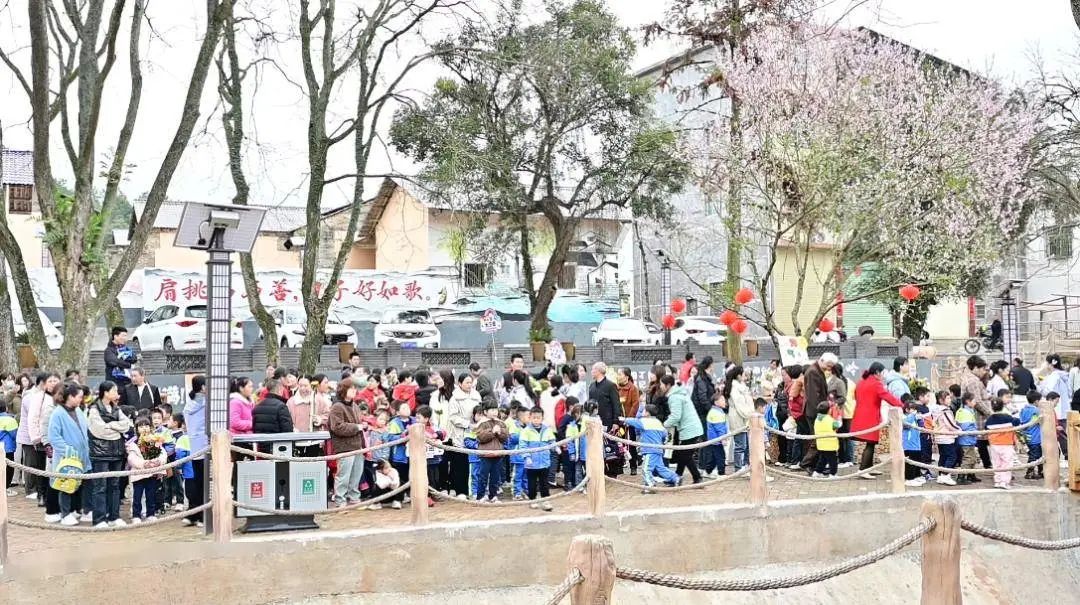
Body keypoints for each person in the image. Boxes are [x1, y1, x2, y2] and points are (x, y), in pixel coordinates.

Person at [87, 381, 132, 528]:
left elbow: (126, 425)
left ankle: (114, 516)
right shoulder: (94, 409)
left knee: (115, 485)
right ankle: (99, 519)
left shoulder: (116, 408)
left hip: (117, 452)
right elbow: (99, 431)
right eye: (114, 391)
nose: (117, 394)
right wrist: (116, 430)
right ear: (105, 392)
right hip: (100, 453)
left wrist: (111, 426)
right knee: (100, 486)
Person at [47, 384, 91, 526]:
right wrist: (68, 450)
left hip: (83, 455)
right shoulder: (57, 413)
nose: (81, 399)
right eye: (79, 396)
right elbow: (53, 437)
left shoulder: (78, 410)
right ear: (70, 397)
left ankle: (79, 509)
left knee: (81, 484)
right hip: (66, 458)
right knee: (66, 485)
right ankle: (65, 513)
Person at [851, 362, 902, 475]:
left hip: (860, 415)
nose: (883, 375)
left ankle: (869, 468)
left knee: (870, 443)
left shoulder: (861, 381)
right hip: (870, 416)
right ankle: (863, 470)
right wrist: (901, 405)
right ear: (877, 372)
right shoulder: (876, 384)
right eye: (882, 373)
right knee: (870, 443)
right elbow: (887, 397)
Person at [621, 404, 680, 491]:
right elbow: (666, 435)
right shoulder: (658, 422)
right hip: (658, 450)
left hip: (650, 450)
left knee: (646, 469)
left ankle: (650, 485)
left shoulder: (645, 421)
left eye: (644, 411)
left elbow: (635, 422)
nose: (642, 412)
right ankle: (675, 478)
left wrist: (624, 419)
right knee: (661, 469)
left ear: (647, 413)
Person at [18, 372, 56, 505]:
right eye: (50, 381)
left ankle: (50, 494)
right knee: (39, 467)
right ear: (43, 383)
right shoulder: (36, 397)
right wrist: (36, 437)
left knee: (51, 468)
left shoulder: (58, 396)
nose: (53, 383)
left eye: (55, 381)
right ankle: (39, 494)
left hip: (53, 438)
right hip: (39, 438)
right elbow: (33, 418)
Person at [328, 379, 367, 505]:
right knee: (343, 476)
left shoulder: (355, 406)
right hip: (344, 447)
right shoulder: (337, 407)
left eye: (355, 388)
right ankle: (340, 499)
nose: (354, 391)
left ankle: (354, 497)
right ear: (343, 390)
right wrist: (357, 427)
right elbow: (337, 427)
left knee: (356, 474)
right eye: (351, 388)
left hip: (357, 445)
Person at [660, 375, 703, 483]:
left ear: (668, 385)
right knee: (683, 454)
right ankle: (677, 477)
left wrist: (663, 425)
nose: (660, 386)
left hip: (689, 429)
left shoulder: (674, 397)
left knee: (685, 455)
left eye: (661, 384)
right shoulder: (680, 393)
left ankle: (697, 477)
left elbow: (676, 416)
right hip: (692, 428)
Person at [445, 372, 480, 499]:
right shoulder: (455, 399)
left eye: (471, 382)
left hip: (475, 431)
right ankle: (461, 490)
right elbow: (453, 417)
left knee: (474, 464)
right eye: (467, 382)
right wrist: (467, 424)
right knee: (460, 463)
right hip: (459, 432)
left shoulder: (476, 396)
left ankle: (474, 490)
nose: (469, 385)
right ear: (460, 384)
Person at [799, 353, 835, 472]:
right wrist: (821, 412)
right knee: (817, 439)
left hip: (817, 410)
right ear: (822, 360)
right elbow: (813, 395)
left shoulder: (817, 370)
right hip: (815, 411)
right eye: (828, 365)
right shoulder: (813, 372)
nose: (829, 369)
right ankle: (806, 463)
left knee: (818, 439)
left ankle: (815, 466)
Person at [180, 376, 207, 526]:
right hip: (205, 446)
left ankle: (193, 513)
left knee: (194, 481)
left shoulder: (189, 403)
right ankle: (202, 516)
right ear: (202, 387)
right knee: (203, 483)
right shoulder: (206, 403)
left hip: (193, 447)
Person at [518, 406, 556, 511]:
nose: (536, 420)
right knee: (532, 483)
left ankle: (545, 500)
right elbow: (523, 446)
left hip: (544, 462)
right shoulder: (526, 431)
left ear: (542, 418)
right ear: (530, 417)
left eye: (538, 417)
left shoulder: (547, 429)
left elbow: (552, 441)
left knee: (544, 483)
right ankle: (532, 500)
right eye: (534, 417)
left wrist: (555, 447)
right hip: (531, 463)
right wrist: (527, 457)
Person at [961, 355, 994, 469]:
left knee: (981, 441)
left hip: (978, 415)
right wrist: (990, 414)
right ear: (975, 368)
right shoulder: (973, 381)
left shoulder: (969, 378)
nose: (984, 372)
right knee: (981, 440)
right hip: (979, 416)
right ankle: (986, 464)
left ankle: (986, 463)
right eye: (983, 369)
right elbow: (977, 401)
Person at [475, 401, 508, 502]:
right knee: (483, 476)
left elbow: (505, 437)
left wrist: (500, 432)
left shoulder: (501, 423)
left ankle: (493, 495)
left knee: (495, 477)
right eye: (492, 410)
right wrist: (492, 432)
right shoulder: (482, 423)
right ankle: (480, 496)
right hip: (485, 455)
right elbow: (480, 437)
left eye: (496, 410)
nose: (495, 412)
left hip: (498, 454)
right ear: (485, 411)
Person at [986, 398, 1021, 490]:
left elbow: (986, 428)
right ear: (1003, 406)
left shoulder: (989, 420)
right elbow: (1018, 421)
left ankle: (997, 481)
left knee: (996, 463)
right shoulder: (1008, 418)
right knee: (1007, 463)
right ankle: (1004, 482)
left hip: (994, 445)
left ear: (992, 407)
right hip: (1006, 444)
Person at [725, 365, 754, 472]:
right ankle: (738, 468)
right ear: (738, 375)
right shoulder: (734, 388)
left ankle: (745, 465)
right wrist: (749, 413)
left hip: (743, 418)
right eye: (743, 374)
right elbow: (739, 405)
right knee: (740, 445)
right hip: (738, 417)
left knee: (745, 445)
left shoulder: (741, 386)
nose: (745, 376)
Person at [692, 357, 717, 474]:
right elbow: (703, 397)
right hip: (703, 413)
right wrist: (711, 410)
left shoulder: (704, 378)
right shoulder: (701, 379)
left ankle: (703, 467)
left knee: (706, 440)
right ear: (710, 365)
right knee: (707, 439)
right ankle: (706, 468)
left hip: (704, 412)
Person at [931, 390, 960, 486]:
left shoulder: (935, 410)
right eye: (947, 398)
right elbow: (950, 424)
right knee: (952, 456)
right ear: (941, 400)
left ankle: (940, 475)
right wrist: (959, 430)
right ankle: (945, 475)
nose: (950, 400)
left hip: (939, 436)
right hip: (946, 437)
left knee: (943, 456)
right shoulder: (946, 411)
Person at [557, 399, 583, 491]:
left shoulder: (575, 420)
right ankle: (568, 482)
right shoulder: (567, 418)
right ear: (571, 407)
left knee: (572, 465)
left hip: (573, 446)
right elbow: (560, 431)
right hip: (567, 446)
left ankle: (573, 481)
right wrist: (564, 442)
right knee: (567, 465)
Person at [955, 393, 980, 484]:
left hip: (969, 439)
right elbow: (965, 427)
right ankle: (961, 477)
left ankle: (970, 475)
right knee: (968, 458)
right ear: (968, 401)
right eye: (974, 400)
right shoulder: (965, 412)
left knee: (973, 458)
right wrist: (976, 432)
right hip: (967, 440)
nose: (975, 402)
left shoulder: (964, 411)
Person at [900, 396, 925, 487]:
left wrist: (920, 419)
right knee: (910, 463)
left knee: (917, 461)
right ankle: (909, 479)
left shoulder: (915, 418)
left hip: (916, 445)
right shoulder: (904, 417)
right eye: (912, 409)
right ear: (907, 409)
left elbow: (921, 426)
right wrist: (912, 415)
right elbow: (905, 425)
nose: (914, 411)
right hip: (908, 445)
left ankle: (916, 476)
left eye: (915, 409)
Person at [812, 400, 841, 479]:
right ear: (829, 410)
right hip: (830, 444)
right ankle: (833, 474)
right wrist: (838, 417)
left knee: (823, 459)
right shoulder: (829, 419)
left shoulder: (817, 419)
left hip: (821, 443)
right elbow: (837, 425)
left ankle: (817, 472)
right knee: (833, 460)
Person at [588, 362, 620, 428]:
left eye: (593, 369)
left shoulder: (611, 385)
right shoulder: (591, 386)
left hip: (607, 422)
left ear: (598, 371)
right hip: (594, 421)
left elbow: (616, 405)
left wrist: (616, 422)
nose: (591, 372)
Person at [104, 326, 136, 392]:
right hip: (114, 385)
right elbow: (113, 361)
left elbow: (134, 358)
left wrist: (122, 358)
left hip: (128, 383)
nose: (125, 338)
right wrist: (129, 365)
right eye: (123, 336)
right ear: (115, 336)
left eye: (126, 336)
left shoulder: (125, 348)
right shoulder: (109, 350)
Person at [705, 391, 728, 478]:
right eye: (722, 400)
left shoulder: (716, 411)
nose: (724, 402)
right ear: (716, 402)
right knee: (721, 456)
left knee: (715, 457)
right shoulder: (716, 413)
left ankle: (708, 471)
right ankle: (721, 473)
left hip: (714, 439)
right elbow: (719, 428)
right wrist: (723, 438)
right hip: (717, 439)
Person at [0, 400, 16, 495]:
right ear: (5, 408)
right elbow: (14, 435)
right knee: (9, 469)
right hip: (7, 448)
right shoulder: (10, 419)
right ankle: (5, 488)